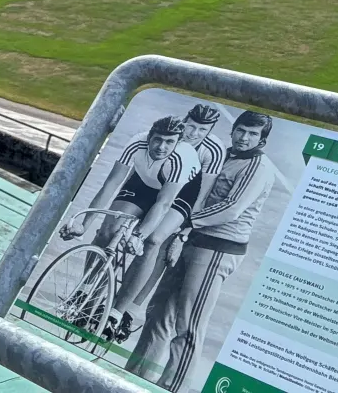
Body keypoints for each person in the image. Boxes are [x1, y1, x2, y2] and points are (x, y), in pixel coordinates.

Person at [126, 111, 278, 391]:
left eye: (252, 134)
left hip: (216, 249)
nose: (244, 138)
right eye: (241, 130)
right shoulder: (223, 155)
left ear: (262, 140)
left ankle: (173, 387)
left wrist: (185, 224)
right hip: (190, 239)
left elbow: (232, 208)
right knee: (158, 312)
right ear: (233, 130)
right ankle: (135, 379)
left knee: (188, 325)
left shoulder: (257, 167)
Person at [58, 115, 200, 341]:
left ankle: (116, 312)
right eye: (157, 140)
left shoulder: (182, 159)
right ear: (149, 137)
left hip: (178, 194)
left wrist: (138, 236)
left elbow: (163, 203)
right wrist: (84, 225)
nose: (161, 147)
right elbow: (110, 185)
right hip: (144, 183)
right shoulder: (136, 143)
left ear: (178, 143)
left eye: (168, 142)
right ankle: (86, 291)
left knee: (152, 241)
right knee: (107, 230)